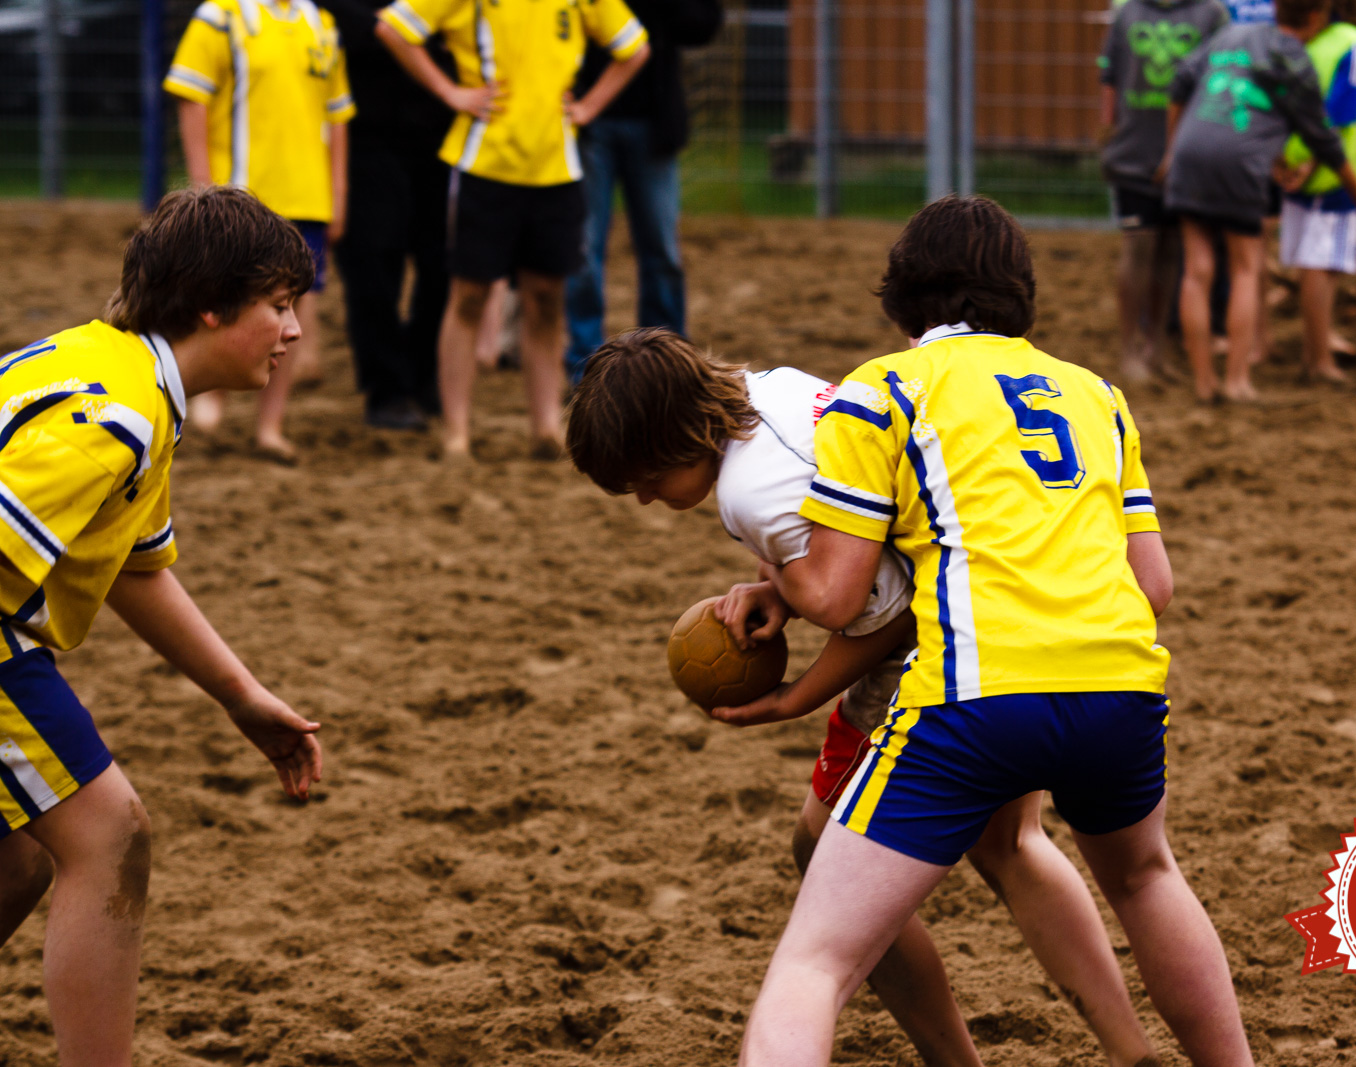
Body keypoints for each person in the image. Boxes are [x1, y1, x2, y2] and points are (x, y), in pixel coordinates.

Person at [733, 195, 1252, 1067]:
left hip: (974, 700)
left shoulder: (882, 389)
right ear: (1022, 299)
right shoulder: (1096, 394)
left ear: (901, 304)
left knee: (815, 960)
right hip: (1121, 689)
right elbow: (1153, 585)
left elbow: (838, 593)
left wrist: (773, 581)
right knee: (1147, 875)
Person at [565, 328, 1161, 1067]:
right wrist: (783, 582)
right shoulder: (773, 385)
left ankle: (954, 1060)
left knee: (819, 852)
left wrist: (798, 695)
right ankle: (1133, 1052)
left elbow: (885, 610)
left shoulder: (749, 489)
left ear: (674, 434)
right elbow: (853, 520)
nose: (648, 497)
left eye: (643, 477)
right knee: (1010, 841)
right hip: (1007, 605)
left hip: (938, 648)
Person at [0, 187, 324, 1067]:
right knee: (109, 834)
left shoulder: (125, 376)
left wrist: (242, 695)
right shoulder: (115, 418)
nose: (294, 332)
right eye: (280, 306)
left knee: (26, 855)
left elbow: (137, 568)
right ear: (211, 305)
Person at [375, 0, 651, 460]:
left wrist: (588, 107)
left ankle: (545, 427)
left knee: (546, 299)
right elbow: (392, 28)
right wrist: (450, 92)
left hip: (556, 169)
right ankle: (457, 432)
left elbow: (634, 48)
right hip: (484, 164)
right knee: (468, 295)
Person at [1161, 0, 1356, 402]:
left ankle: (1203, 383)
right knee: (1246, 269)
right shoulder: (1293, 56)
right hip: (1240, 165)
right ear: (1318, 16)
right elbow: (1324, 138)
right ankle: (1236, 381)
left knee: (1197, 270)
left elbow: (1181, 84)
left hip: (1189, 154)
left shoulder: (1231, 34)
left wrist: (1170, 151)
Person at [165, 0, 355, 461]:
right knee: (222, 300)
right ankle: (212, 398)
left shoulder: (321, 26)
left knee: (287, 318)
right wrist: (202, 185)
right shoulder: (221, 16)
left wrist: (337, 190)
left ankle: (271, 425)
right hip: (241, 197)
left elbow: (337, 116)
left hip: (305, 199)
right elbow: (192, 97)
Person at [563, 0, 724, 383]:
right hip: (587, 124)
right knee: (584, 253)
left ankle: (667, 365)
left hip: (654, 124)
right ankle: (585, 369)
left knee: (661, 251)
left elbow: (701, 25)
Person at [321, 0, 455, 430]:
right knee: (374, 269)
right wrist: (405, 31)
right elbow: (355, 31)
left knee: (444, 266)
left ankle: (422, 373)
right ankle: (386, 391)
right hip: (366, 142)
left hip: (440, 138)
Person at [1099, 0, 1230, 384]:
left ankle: (1156, 349)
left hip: (1186, 154)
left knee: (1172, 250)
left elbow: (1221, 80)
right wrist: (1108, 130)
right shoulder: (1127, 12)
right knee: (1139, 247)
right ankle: (1129, 351)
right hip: (1133, 154)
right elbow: (1109, 79)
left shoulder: (1211, 15)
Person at [1278, 0, 1356, 384]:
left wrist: (1286, 164)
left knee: (1311, 265)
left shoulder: (1300, 45)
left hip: (1294, 170)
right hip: (1330, 174)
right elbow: (1340, 113)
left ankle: (1315, 348)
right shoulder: (1353, 42)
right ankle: (1318, 359)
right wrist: (1312, 165)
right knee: (1323, 268)